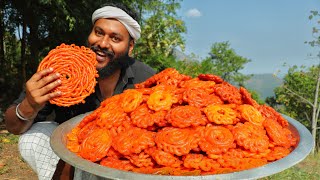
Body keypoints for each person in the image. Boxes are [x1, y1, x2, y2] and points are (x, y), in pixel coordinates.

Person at [4, 2, 156, 180]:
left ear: (130, 47)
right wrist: (29, 105)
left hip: (120, 160)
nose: (103, 43)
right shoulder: (60, 72)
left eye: (115, 38)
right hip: (68, 148)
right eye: (98, 33)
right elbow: (13, 127)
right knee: (33, 139)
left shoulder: (146, 81)